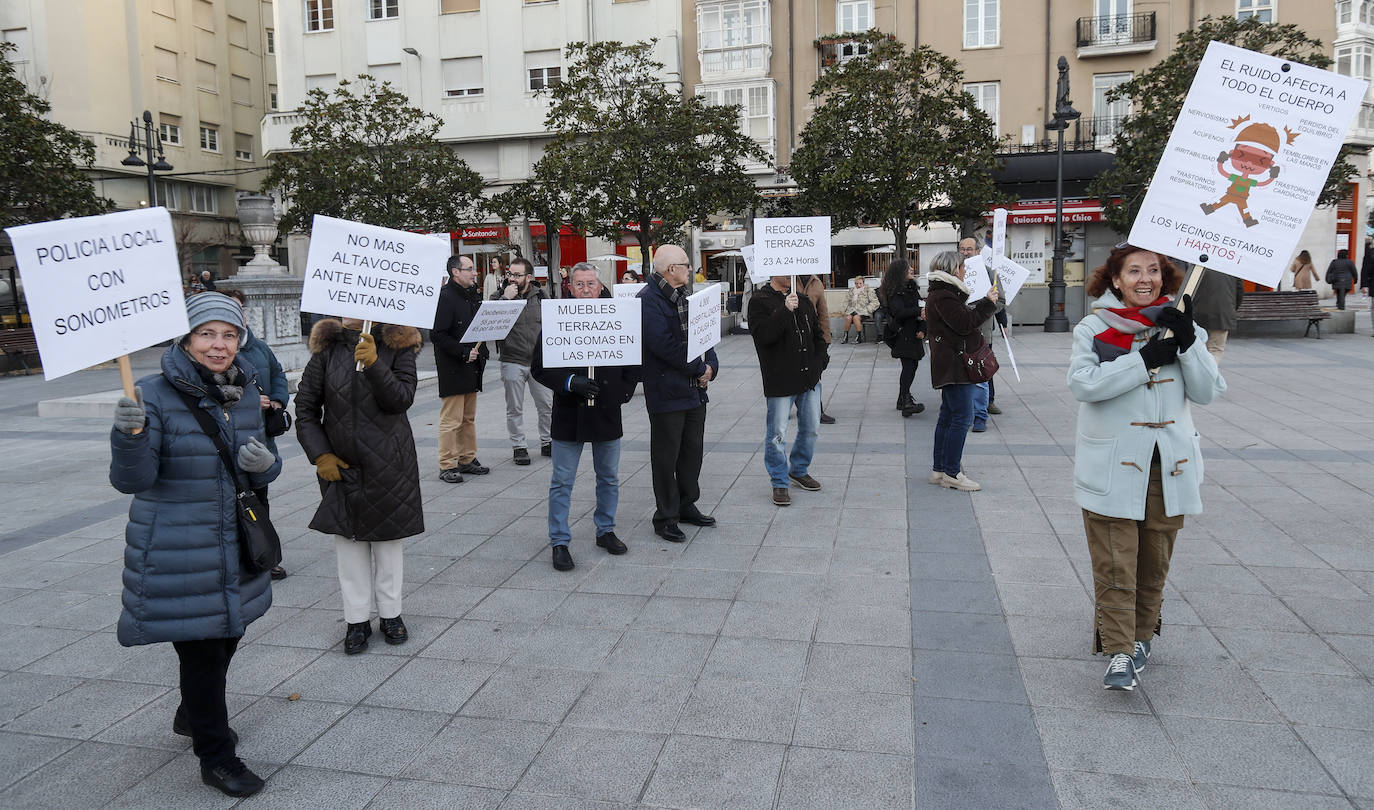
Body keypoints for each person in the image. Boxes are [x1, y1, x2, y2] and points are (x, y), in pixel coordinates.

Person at [109, 292, 281, 797]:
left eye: (228, 335)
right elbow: (133, 480)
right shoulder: (151, 394)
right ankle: (216, 755)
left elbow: (267, 461)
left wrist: (263, 466)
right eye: (206, 333)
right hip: (180, 546)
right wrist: (129, 438)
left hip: (235, 542)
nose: (218, 345)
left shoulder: (247, 390)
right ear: (185, 339)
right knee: (203, 654)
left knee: (228, 635)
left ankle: (193, 712)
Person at [1068, 244, 1225, 690]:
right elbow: (1083, 384)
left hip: (1168, 462)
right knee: (1116, 560)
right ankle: (1118, 651)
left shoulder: (1179, 324)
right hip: (1113, 462)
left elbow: (1207, 392)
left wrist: (1190, 345)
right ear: (1115, 279)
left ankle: (1140, 638)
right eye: (1133, 270)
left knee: (1154, 560)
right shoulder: (1093, 327)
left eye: (1153, 270)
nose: (1144, 278)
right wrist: (1143, 360)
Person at [295, 317, 424, 655]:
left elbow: (401, 398)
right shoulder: (327, 349)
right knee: (349, 547)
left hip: (389, 462)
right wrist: (320, 454)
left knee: (388, 548)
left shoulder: (400, 342)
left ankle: (391, 615)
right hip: (343, 467)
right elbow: (306, 409)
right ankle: (356, 620)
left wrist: (375, 364)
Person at [532, 263, 640, 570]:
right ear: (570, 288)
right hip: (569, 412)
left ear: (600, 285)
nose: (585, 290)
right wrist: (568, 382)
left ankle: (605, 530)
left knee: (609, 477)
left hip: (607, 410)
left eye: (591, 284)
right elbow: (539, 367)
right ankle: (559, 541)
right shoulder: (557, 319)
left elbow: (634, 357)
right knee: (562, 481)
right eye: (579, 285)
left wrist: (624, 391)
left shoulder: (618, 316)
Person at [638, 245, 720, 542]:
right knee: (666, 458)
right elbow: (664, 346)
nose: (690, 269)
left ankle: (687, 505)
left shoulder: (687, 297)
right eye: (686, 264)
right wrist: (699, 369)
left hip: (694, 392)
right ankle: (666, 517)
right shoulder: (647, 301)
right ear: (670, 269)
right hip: (666, 392)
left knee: (691, 454)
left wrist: (711, 365)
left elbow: (705, 334)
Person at [222, 289, 291, 580]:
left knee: (258, 498)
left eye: (239, 310)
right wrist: (248, 400)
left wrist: (276, 400)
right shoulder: (215, 351)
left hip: (257, 438)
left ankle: (264, 554)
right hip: (225, 440)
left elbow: (278, 374)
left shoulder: (259, 347)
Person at [749, 273, 828, 507]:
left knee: (812, 427)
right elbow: (764, 336)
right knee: (777, 434)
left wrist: (820, 361)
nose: (793, 275)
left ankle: (799, 469)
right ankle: (780, 481)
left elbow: (817, 334)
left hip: (808, 377)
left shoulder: (803, 300)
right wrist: (785, 310)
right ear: (774, 272)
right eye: (787, 271)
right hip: (780, 379)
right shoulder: (759, 300)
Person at [926, 250, 998, 491]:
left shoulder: (943, 294)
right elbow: (965, 324)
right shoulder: (944, 296)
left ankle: (940, 469)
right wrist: (988, 304)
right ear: (953, 269)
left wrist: (984, 302)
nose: (966, 271)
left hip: (951, 364)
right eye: (963, 267)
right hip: (955, 366)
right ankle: (952, 473)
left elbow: (960, 320)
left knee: (948, 416)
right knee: (961, 418)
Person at [432, 255, 490, 482]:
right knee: (451, 419)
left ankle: (466, 458)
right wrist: (463, 352)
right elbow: (436, 335)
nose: (474, 273)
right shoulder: (446, 298)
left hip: (472, 365)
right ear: (455, 272)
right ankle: (447, 464)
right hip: (453, 367)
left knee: (468, 418)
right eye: (469, 269)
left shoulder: (472, 295)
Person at [493, 257, 554, 465]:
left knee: (546, 404)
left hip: (538, 361)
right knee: (514, 407)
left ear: (529, 277)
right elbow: (489, 321)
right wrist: (505, 300)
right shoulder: (499, 296)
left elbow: (552, 324)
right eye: (510, 274)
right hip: (512, 359)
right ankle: (519, 446)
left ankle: (548, 441)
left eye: (517, 275)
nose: (512, 278)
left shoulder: (541, 296)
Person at [959, 236, 1005, 431]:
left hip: (982, 332)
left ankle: (986, 405)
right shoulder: (955, 273)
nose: (965, 252)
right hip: (959, 332)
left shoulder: (990, 274)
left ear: (978, 251)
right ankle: (966, 407)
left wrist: (984, 309)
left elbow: (1001, 300)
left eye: (969, 249)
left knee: (983, 370)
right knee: (961, 371)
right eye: (962, 249)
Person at [880, 259, 926, 418]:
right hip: (901, 334)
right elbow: (899, 312)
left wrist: (922, 328)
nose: (912, 269)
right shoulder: (895, 291)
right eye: (908, 268)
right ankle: (906, 401)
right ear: (900, 272)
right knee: (908, 366)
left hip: (914, 333)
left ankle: (902, 399)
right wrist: (918, 311)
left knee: (913, 365)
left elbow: (922, 309)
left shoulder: (913, 288)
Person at [799, 274, 836, 424]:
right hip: (793, 336)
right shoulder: (789, 278)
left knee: (815, 373)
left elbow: (823, 313)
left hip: (813, 336)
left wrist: (825, 338)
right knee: (793, 374)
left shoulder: (816, 282)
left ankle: (817, 410)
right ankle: (787, 405)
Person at [1191, 268, 1244, 362]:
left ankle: (1199, 372)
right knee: (1215, 349)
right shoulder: (1232, 267)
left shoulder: (1199, 264)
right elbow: (1239, 291)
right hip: (1222, 314)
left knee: (1197, 348)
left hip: (1198, 312)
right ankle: (1210, 374)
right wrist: (1231, 309)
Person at [839, 275, 878, 343]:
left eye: (860, 283)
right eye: (856, 283)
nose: (858, 285)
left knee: (856, 318)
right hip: (853, 310)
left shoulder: (868, 290)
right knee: (848, 318)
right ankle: (845, 337)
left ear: (863, 283)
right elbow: (846, 301)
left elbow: (875, 302)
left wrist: (868, 309)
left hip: (864, 311)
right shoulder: (852, 291)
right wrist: (844, 310)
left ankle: (859, 337)